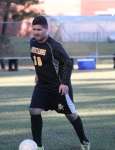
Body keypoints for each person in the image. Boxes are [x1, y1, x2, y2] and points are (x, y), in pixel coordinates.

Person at [29, 15, 90, 150]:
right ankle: (38, 146)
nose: (36, 32)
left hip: (58, 87)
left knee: (70, 115)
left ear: (46, 28)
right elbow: (39, 61)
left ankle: (85, 141)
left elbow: (68, 62)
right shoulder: (32, 43)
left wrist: (65, 83)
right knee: (33, 110)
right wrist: (38, 73)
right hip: (42, 86)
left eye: (39, 29)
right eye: (34, 29)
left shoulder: (54, 46)